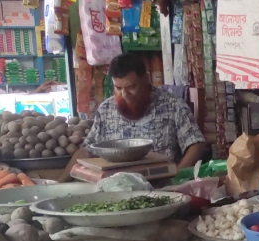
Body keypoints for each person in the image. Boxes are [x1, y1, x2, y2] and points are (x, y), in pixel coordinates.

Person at [61, 53, 208, 178]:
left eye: (131, 87)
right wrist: (60, 183)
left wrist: (177, 176)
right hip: (116, 185)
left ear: (146, 79)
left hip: (161, 183)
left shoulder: (173, 105)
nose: (124, 95)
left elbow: (196, 145)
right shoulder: (106, 109)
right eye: (118, 88)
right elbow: (86, 150)